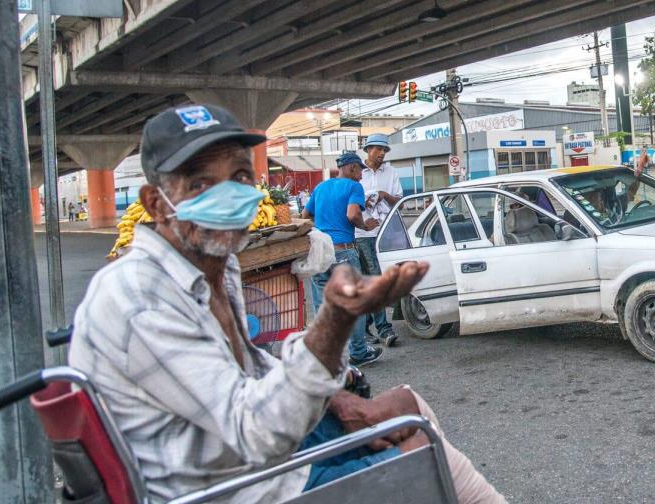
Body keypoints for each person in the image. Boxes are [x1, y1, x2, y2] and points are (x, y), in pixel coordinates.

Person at [68, 105, 506, 503]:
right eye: (200, 183)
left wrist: (334, 398)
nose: (226, 195)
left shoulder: (218, 265)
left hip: (252, 454)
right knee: (419, 449)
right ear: (154, 204)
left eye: (239, 177)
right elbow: (254, 431)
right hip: (229, 484)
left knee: (405, 404)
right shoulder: (139, 296)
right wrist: (333, 322)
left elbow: (247, 370)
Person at [302, 152, 383, 367]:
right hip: (343, 252)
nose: (361, 177)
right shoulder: (353, 188)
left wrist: (322, 226)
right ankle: (358, 352)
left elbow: (305, 216)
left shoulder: (320, 187)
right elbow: (352, 215)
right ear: (351, 168)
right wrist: (365, 225)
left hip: (320, 253)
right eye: (359, 172)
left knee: (323, 306)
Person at [356, 133, 403, 347]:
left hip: (386, 233)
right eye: (378, 149)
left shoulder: (391, 172)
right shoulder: (357, 173)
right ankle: (384, 329)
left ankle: (364, 327)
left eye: (384, 150)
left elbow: (399, 202)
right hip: (363, 234)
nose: (382, 153)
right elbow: (349, 205)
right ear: (368, 150)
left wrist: (384, 195)